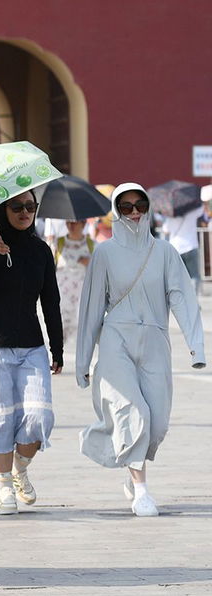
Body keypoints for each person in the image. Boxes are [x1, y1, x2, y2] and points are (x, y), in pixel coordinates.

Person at [75, 183, 206, 516]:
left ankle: (129, 465)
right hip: (116, 339)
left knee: (157, 423)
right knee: (134, 412)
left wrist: (196, 347)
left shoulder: (164, 252)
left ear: (148, 208)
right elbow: (91, 308)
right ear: (116, 211)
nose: (134, 212)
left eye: (140, 205)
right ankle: (143, 491)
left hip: (155, 341)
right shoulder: (104, 253)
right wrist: (83, 360)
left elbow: (182, 298)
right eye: (126, 206)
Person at [0, 190, 63, 515]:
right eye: (17, 206)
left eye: (30, 206)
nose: (24, 212)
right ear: (1, 209)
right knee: (0, 418)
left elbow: (51, 301)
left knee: (38, 417)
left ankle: (21, 468)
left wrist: (57, 347)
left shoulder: (41, 250)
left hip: (31, 346)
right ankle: (4, 486)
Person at [54, 219, 96, 343]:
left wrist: (90, 262)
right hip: (62, 294)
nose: (71, 225)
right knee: (60, 327)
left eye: (74, 222)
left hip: (82, 294)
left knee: (81, 327)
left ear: (83, 224)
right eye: (68, 222)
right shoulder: (59, 242)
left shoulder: (91, 244)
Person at [161, 204, 203, 297]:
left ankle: (182, 299)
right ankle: (194, 298)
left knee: (179, 277)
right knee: (194, 275)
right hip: (191, 246)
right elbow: (201, 210)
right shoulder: (192, 212)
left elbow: (165, 230)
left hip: (176, 248)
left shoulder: (171, 217)